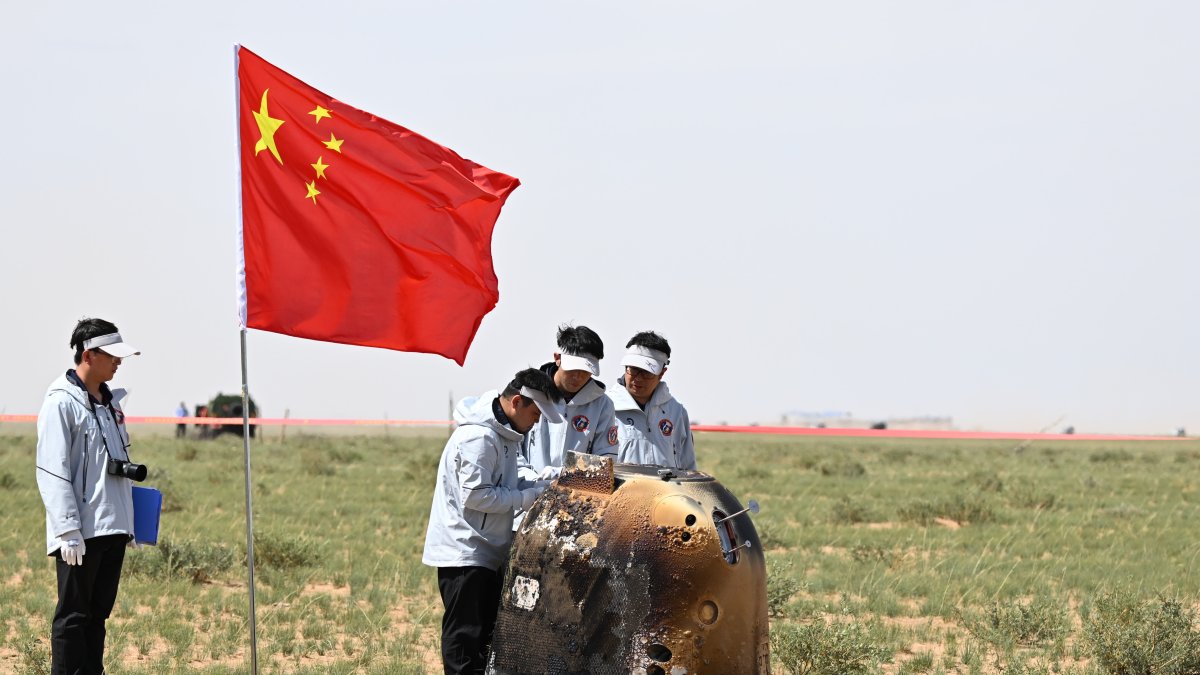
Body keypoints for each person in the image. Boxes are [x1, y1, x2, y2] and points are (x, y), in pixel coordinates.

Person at [422, 368, 563, 675]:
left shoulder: (506, 435)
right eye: (536, 413)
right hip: (465, 551)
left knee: (482, 633)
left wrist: (541, 484)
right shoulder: (480, 437)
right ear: (516, 402)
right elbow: (476, 496)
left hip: (484, 550)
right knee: (465, 638)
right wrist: (526, 499)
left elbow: (509, 481)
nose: (537, 421)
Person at [36, 317, 142, 675]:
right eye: (111, 356)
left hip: (113, 528)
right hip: (80, 532)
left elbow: (118, 466)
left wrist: (132, 524)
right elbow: (52, 470)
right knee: (73, 617)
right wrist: (67, 529)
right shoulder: (60, 403)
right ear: (88, 354)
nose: (119, 362)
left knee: (98, 617)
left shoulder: (112, 405)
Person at [517, 325, 617, 485]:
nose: (578, 377)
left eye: (585, 371)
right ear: (557, 358)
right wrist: (532, 480)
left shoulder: (603, 405)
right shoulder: (528, 392)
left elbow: (605, 461)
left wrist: (565, 474)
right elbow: (511, 451)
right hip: (526, 492)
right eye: (572, 369)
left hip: (576, 498)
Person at [605, 330, 696, 469]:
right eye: (633, 369)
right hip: (620, 490)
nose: (638, 378)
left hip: (667, 490)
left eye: (647, 372)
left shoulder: (676, 412)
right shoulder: (605, 407)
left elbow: (688, 465)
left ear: (661, 373)